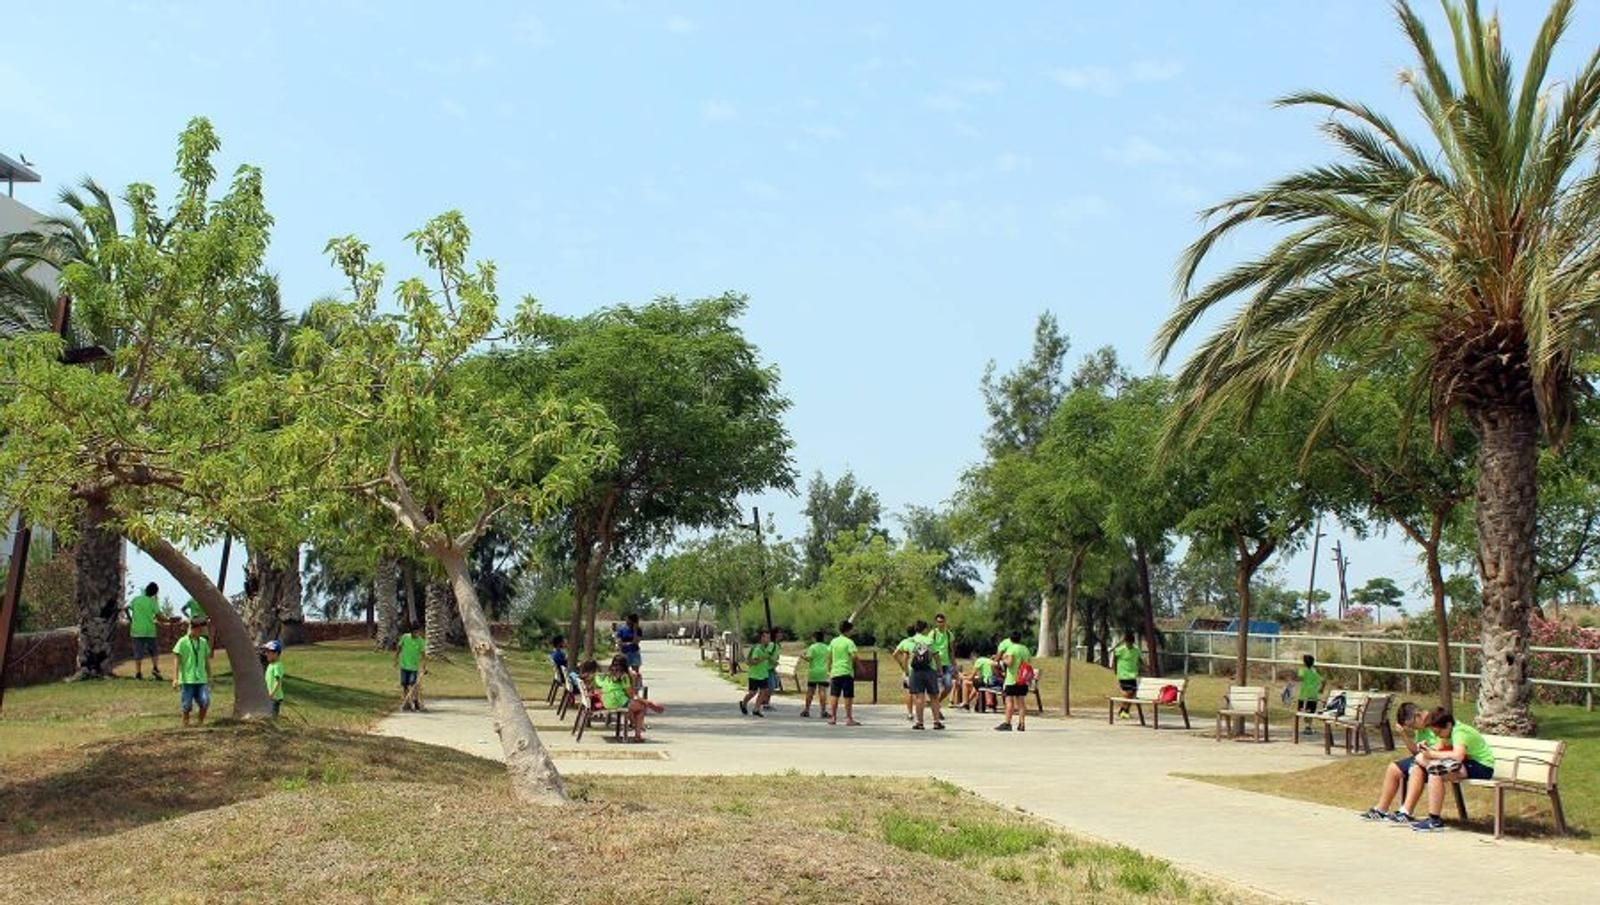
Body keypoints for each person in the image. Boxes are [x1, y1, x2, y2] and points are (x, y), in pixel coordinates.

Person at [1410, 708, 1495, 832]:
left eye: (1438, 732)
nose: (1437, 735)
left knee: (1435, 773)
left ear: (1448, 725)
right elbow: (1438, 749)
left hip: (1481, 766)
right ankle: (1441, 766)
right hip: (1463, 763)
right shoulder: (1445, 731)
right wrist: (1426, 749)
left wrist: (1432, 755)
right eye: (1434, 733)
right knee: (1422, 760)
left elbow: (1458, 755)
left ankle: (1434, 820)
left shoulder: (1459, 732)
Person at [1359, 701, 1439, 823]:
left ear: (1417, 716)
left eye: (1413, 725)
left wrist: (1429, 753)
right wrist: (1404, 735)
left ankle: (1406, 811)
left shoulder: (1436, 722)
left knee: (1415, 767)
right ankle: (1381, 809)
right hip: (1423, 757)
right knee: (1393, 768)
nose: (1414, 729)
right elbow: (1415, 752)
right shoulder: (1421, 728)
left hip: (1436, 758)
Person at [598, 653, 660, 741]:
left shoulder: (608, 674)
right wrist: (648, 702)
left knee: (633, 706)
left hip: (607, 701)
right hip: (617, 701)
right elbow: (631, 695)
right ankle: (637, 735)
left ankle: (635, 724)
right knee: (641, 708)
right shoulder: (623, 676)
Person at [171, 618, 213, 727]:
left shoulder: (203, 642)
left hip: (201, 679)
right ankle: (186, 723)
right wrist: (175, 678)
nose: (201, 632)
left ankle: (200, 722)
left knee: (205, 701)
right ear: (193, 629)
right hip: (187, 679)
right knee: (187, 705)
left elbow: (206, 661)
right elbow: (176, 660)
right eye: (199, 629)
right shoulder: (182, 641)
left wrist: (210, 676)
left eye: (202, 630)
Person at [905, 619, 945, 730]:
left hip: (916, 671)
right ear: (925, 629)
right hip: (929, 670)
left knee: (919, 696)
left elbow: (908, 655)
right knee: (934, 696)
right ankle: (936, 722)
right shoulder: (929, 641)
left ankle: (919, 722)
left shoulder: (910, 641)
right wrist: (940, 670)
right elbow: (936, 656)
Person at [995, 631, 1032, 732]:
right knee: (1021, 702)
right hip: (1022, 680)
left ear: (1010, 639)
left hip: (1012, 679)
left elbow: (1010, 663)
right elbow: (1028, 662)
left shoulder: (1011, 649)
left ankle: (1007, 723)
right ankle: (1022, 723)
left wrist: (1004, 659)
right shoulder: (1025, 649)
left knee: (1009, 701)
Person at [826, 619, 861, 726]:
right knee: (848, 696)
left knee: (834, 695)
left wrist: (829, 669)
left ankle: (833, 717)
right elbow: (854, 656)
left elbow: (829, 656)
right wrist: (860, 666)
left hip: (835, 671)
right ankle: (848, 718)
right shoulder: (849, 642)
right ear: (848, 630)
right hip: (846, 671)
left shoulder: (833, 641)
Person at [127, 582, 164, 681]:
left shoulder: (136, 599)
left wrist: (130, 619)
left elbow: (126, 608)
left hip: (136, 630)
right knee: (154, 651)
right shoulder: (152, 602)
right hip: (149, 630)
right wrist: (168, 619)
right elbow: (159, 616)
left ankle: (138, 673)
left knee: (138, 652)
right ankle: (155, 668)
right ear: (155, 592)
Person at [739, 629, 774, 717]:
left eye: (769, 638)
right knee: (752, 693)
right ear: (762, 638)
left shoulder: (767, 648)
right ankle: (743, 703)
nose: (768, 639)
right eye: (767, 637)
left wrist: (772, 661)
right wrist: (763, 658)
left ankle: (756, 709)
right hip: (755, 674)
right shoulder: (757, 649)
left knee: (764, 691)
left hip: (764, 674)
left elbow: (768, 657)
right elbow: (754, 661)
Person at [395, 621, 428, 712]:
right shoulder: (405, 637)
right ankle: (407, 703)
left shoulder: (421, 641)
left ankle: (415, 701)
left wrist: (424, 666)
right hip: (404, 665)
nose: (416, 634)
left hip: (413, 667)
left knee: (413, 685)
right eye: (414, 632)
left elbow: (423, 655)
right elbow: (399, 648)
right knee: (404, 685)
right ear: (411, 631)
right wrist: (396, 659)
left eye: (417, 632)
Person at [799, 629, 831, 718]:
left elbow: (809, 658)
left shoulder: (812, 647)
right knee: (822, 692)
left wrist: (802, 656)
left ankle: (806, 710)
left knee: (810, 692)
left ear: (814, 638)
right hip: (823, 672)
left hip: (813, 672)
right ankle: (823, 711)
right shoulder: (827, 647)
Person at [1111, 631, 1141, 720]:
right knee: (1127, 693)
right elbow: (1115, 659)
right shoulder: (1120, 650)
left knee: (1132, 694)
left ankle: (1124, 710)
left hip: (1133, 675)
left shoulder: (1136, 650)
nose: (1129, 644)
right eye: (1128, 642)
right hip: (1123, 674)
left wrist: (1145, 667)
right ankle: (1124, 710)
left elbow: (1139, 659)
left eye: (1131, 643)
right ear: (1125, 642)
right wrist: (1115, 669)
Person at [892, 623, 919, 721]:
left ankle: (910, 713)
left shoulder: (904, 642)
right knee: (918, 692)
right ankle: (918, 712)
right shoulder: (919, 642)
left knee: (908, 692)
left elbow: (895, 654)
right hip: (917, 670)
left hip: (907, 670)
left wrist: (902, 665)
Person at [930, 613, 956, 705]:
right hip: (935, 664)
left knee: (949, 686)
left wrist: (954, 665)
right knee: (936, 688)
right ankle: (936, 708)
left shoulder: (949, 634)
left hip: (946, 664)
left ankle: (937, 703)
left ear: (945, 622)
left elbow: (952, 651)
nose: (940, 623)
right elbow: (929, 648)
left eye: (942, 621)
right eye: (938, 622)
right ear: (936, 622)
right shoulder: (933, 633)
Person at [1296, 654, 1323, 729]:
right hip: (1313, 695)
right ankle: (1308, 725)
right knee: (1311, 711)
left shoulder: (1302, 670)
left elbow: (1300, 678)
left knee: (1303, 711)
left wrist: (1292, 679)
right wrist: (1321, 689)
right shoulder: (1314, 671)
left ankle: (1307, 726)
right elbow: (1323, 681)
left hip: (1304, 695)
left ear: (1304, 662)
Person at [761, 628, 784, 712]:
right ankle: (765, 703)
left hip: (771, 668)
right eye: (780, 633)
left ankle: (764, 701)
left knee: (772, 686)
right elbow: (767, 655)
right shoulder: (772, 644)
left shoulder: (777, 645)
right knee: (770, 687)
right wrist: (773, 661)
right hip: (767, 668)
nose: (781, 634)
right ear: (776, 634)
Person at [262, 640, 285, 717]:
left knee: (272, 715)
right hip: (269, 696)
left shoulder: (277, 666)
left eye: (268, 652)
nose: (266, 654)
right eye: (266, 652)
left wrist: (271, 694)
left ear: (276, 654)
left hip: (274, 697)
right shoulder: (271, 665)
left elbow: (278, 682)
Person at [617, 614, 643, 679]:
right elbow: (619, 642)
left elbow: (636, 641)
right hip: (624, 652)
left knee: (635, 671)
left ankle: (635, 685)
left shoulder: (638, 630)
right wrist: (628, 644)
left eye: (628, 620)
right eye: (626, 620)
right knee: (623, 671)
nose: (627, 621)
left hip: (634, 652)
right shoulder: (622, 629)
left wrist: (635, 631)